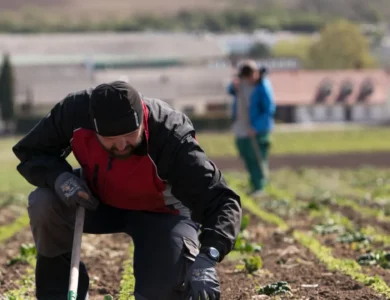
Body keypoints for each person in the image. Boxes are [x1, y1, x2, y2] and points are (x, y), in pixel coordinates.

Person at [12, 81, 242, 300]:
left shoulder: (171, 135)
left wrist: (209, 256)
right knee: (43, 202)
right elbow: (31, 151)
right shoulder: (75, 112)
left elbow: (222, 199)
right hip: (95, 199)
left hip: (162, 212)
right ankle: (59, 294)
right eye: (110, 139)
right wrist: (59, 178)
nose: (121, 146)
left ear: (143, 119)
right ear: (94, 126)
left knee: (164, 292)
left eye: (130, 135)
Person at [227, 60, 275, 196]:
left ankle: (260, 187)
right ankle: (254, 185)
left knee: (257, 157)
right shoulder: (241, 84)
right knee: (246, 156)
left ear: (255, 73)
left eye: (250, 77)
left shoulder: (263, 86)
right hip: (241, 127)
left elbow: (268, 110)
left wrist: (256, 127)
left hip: (257, 130)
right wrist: (233, 86)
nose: (248, 80)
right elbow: (231, 90)